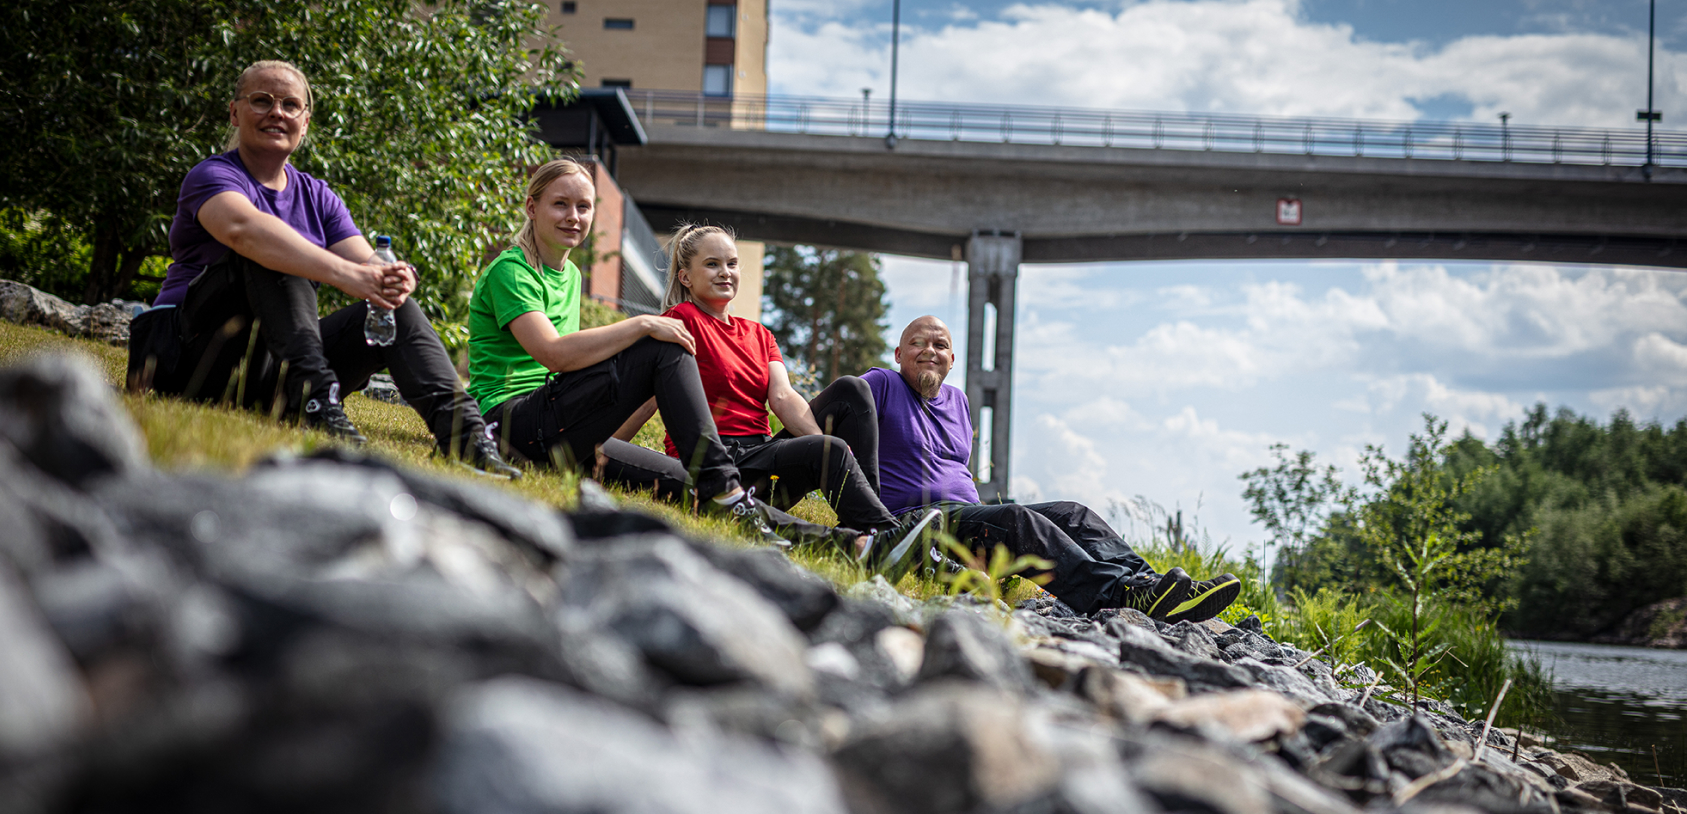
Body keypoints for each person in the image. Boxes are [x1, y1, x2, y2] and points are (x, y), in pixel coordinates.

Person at [132, 60, 517, 477]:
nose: (276, 112)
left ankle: (465, 436)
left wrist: (390, 279)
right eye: (261, 101)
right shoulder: (212, 175)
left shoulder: (317, 195)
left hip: (271, 375)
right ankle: (316, 400)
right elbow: (243, 230)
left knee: (390, 307)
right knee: (269, 246)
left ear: (305, 120)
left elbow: (365, 261)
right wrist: (353, 277)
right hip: (186, 360)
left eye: (290, 105)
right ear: (234, 112)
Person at [608, 224, 943, 581]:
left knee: (851, 391)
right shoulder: (678, 322)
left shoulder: (759, 334)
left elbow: (783, 398)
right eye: (712, 264)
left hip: (762, 464)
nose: (726, 272)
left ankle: (874, 529)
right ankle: (907, 550)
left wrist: (830, 456)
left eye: (732, 263)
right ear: (685, 277)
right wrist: (604, 451)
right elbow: (645, 400)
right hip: (713, 463)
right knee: (827, 449)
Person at [863, 315, 1243, 620]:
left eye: (940, 345)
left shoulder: (958, 401)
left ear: (952, 359)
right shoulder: (881, 383)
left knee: (1073, 513)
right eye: (918, 343)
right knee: (1016, 518)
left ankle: (1152, 585)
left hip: (968, 518)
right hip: (921, 524)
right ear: (898, 354)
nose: (930, 351)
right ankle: (1119, 595)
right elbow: (833, 415)